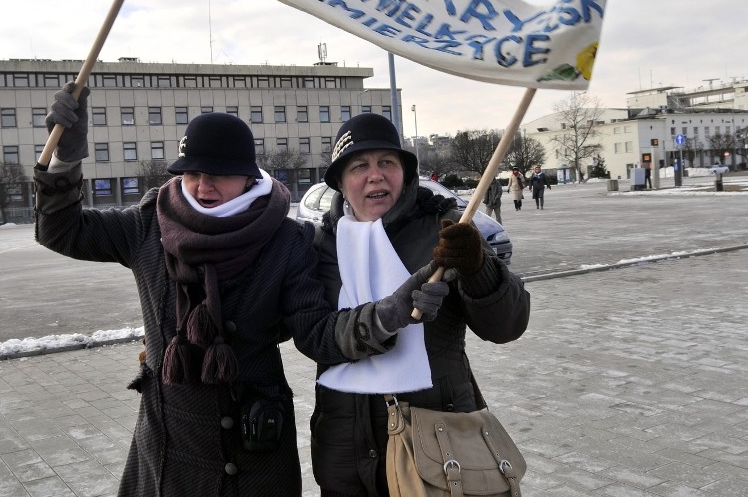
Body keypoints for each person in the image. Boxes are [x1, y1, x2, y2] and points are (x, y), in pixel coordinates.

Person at [34, 85, 452, 497]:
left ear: (248, 177)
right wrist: (65, 159)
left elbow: (316, 334)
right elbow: (62, 232)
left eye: (217, 176)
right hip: (169, 446)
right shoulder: (148, 224)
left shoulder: (286, 240)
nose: (202, 187)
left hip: (255, 448)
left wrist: (387, 314)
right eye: (192, 174)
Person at [309, 114, 530, 497]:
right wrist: (387, 315)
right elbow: (312, 334)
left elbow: (506, 325)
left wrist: (478, 267)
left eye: (387, 163)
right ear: (341, 183)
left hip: (439, 445)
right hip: (345, 449)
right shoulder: (320, 247)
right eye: (360, 165)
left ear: (404, 174)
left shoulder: (444, 226)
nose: (375, 175)